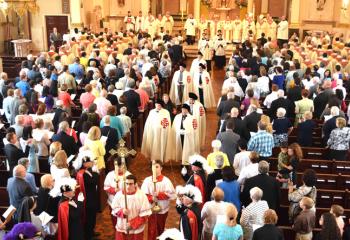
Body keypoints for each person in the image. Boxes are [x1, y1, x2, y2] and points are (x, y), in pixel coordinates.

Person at [141, 160, 175, 240]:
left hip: (162, 210)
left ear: (161, 168)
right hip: (152, 209)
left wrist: (159, 194)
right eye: (153, 167)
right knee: (152, 229)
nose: (155, 169)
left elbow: (172, 195)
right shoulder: (147, 181)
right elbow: (143, 195)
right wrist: (152, 198)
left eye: (157, 167)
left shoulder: (166, 181)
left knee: (160, 228)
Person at [111, 174, 152, 240]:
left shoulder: (141, 196)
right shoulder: (119, 195)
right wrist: (122, 212)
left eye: (130, 184)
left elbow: (145, 215)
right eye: (126, 183)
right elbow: (114, 209)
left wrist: (132, 224)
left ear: (135, 184)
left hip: (136, 230)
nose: (128, 186)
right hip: (122, 228)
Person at [76, 156, 99, 240]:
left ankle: (91, 231)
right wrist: (96, 173)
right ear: (85, 164)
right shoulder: (83, 174)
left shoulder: (87, 171)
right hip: (88, 200)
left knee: (93, 217)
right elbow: (93, 181)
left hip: (92, 197)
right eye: (90, 162)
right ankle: (88, 235)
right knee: (89, 218)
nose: (92, 162)